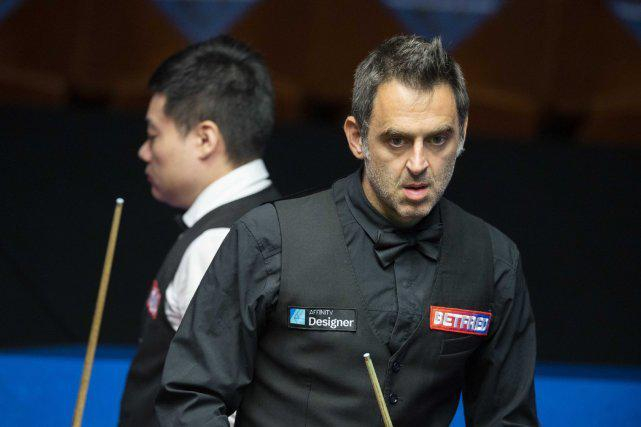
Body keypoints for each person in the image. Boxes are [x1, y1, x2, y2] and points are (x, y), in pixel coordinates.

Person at [157, 35, 538, 426]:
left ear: (463, 133)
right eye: (397, 140)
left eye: (438, 139)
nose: (418, 163)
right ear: (357, 138)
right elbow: (191, 398)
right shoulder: (269, 239)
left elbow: (508, 421)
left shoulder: (494, 262)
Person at [118, 36, 280, 427]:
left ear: (205, 139)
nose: (144, 151)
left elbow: (219, 410)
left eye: (153, 135)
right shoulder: (274, 216)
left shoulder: (217, 245)